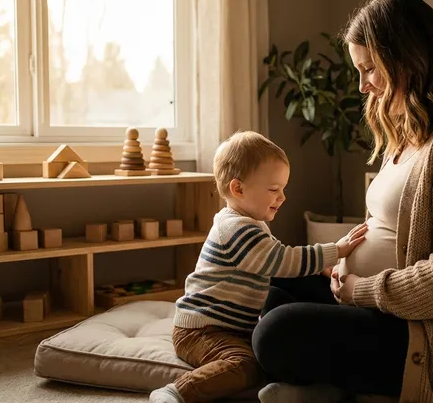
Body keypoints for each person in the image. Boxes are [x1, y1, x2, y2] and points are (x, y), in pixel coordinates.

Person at [253, 0, 433, 403]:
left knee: (277, 332)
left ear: (407, 59)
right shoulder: (411, 124)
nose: (363, 85)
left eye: (369, 69)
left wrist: (359, 289)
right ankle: (319, 384)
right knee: (267, 283)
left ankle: (320, 387)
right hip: (377, 303)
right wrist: (339, 269)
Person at [149, 130, 368, 403]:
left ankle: (291, 391)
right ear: (238, 189)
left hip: (232, 326)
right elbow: (281, 260)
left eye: (283, 189)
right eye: (274, 190)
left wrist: (321, 270)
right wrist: (336, 251)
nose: (283, 197)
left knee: (274, 350)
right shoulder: (236, 228)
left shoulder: (251, 223)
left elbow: (279, 258)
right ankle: (177, 392)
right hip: (203, 330)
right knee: (243, 365)